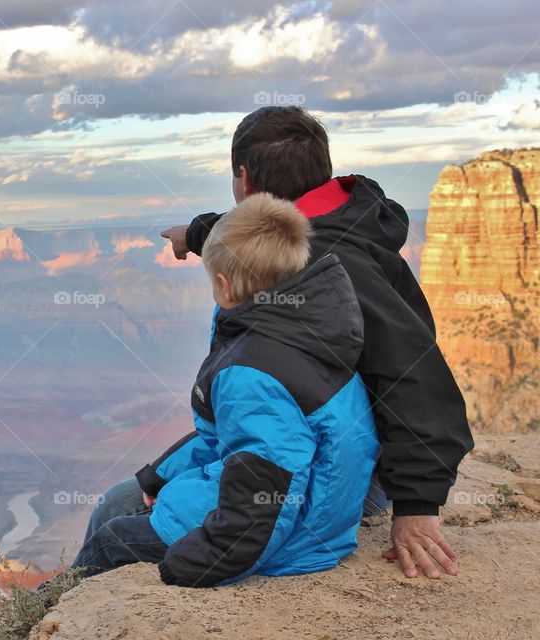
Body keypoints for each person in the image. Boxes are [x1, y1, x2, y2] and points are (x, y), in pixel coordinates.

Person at [87, 105, 473, 581]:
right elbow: (260, 230)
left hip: (325, 471)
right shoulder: (340, 218)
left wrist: (417, 506)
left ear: (244, 179)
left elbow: (414, 376)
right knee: (159, 481)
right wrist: (197, 232)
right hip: (307, 439)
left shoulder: (333, 262)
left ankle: (59, 605)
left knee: (116, 509)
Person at [70, 193, 379, 586]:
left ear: (225, 286)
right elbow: (233, 440)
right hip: (313, 517)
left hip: (292, 539)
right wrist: (159, 475)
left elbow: (263, 498)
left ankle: (44, 607)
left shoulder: (252, 375)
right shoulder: (308, 331)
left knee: (111, 539)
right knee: (126, 505)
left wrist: (197, 562)